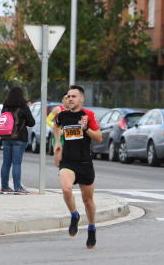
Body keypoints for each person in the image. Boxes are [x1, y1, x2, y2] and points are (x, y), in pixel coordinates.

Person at [53, 85, 102, 249]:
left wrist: (86, 128)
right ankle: (74, 215)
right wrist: (58, 142)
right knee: (66, 189)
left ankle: (92, 228)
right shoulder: (62, 115)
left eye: (74, 96)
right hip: (68, 161)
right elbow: (56, 126)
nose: (70, 99)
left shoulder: (88, 115)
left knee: (88, 201)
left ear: (81, 99)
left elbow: (99, 138)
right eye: (68, 96)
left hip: (85, 163)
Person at [0, 86, 35, 195]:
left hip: (6, 137)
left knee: (6, 163)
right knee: (16, 163)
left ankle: (4, 187)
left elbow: (2, 118)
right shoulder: (23, 107)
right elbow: (31, 122)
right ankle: (18, 188)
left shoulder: (5, 106)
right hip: (20, 138)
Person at [46, 94, 69, 167]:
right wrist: (57, 129)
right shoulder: (57, 109)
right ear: (63, 100)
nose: (69, 100)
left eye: (70, 98)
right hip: (59, 136)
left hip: (70, 136)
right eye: (66, 98)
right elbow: (48, 120)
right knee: (59, 162)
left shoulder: (74, 110)